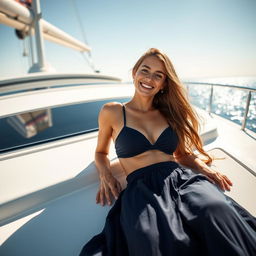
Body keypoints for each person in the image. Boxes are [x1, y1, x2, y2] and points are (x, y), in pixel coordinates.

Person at [80, 48, 256, 256]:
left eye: (158, 75)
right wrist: (105, 174)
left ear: (164, 83)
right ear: (135, 72)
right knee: (152, 240)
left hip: (180, 179)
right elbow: (101, 153)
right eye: (145, 70)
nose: (149, 78)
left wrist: (202, 167)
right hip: (141, 188)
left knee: (217, 209)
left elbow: (181, 154)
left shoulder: (169, 113)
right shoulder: (113, 111)